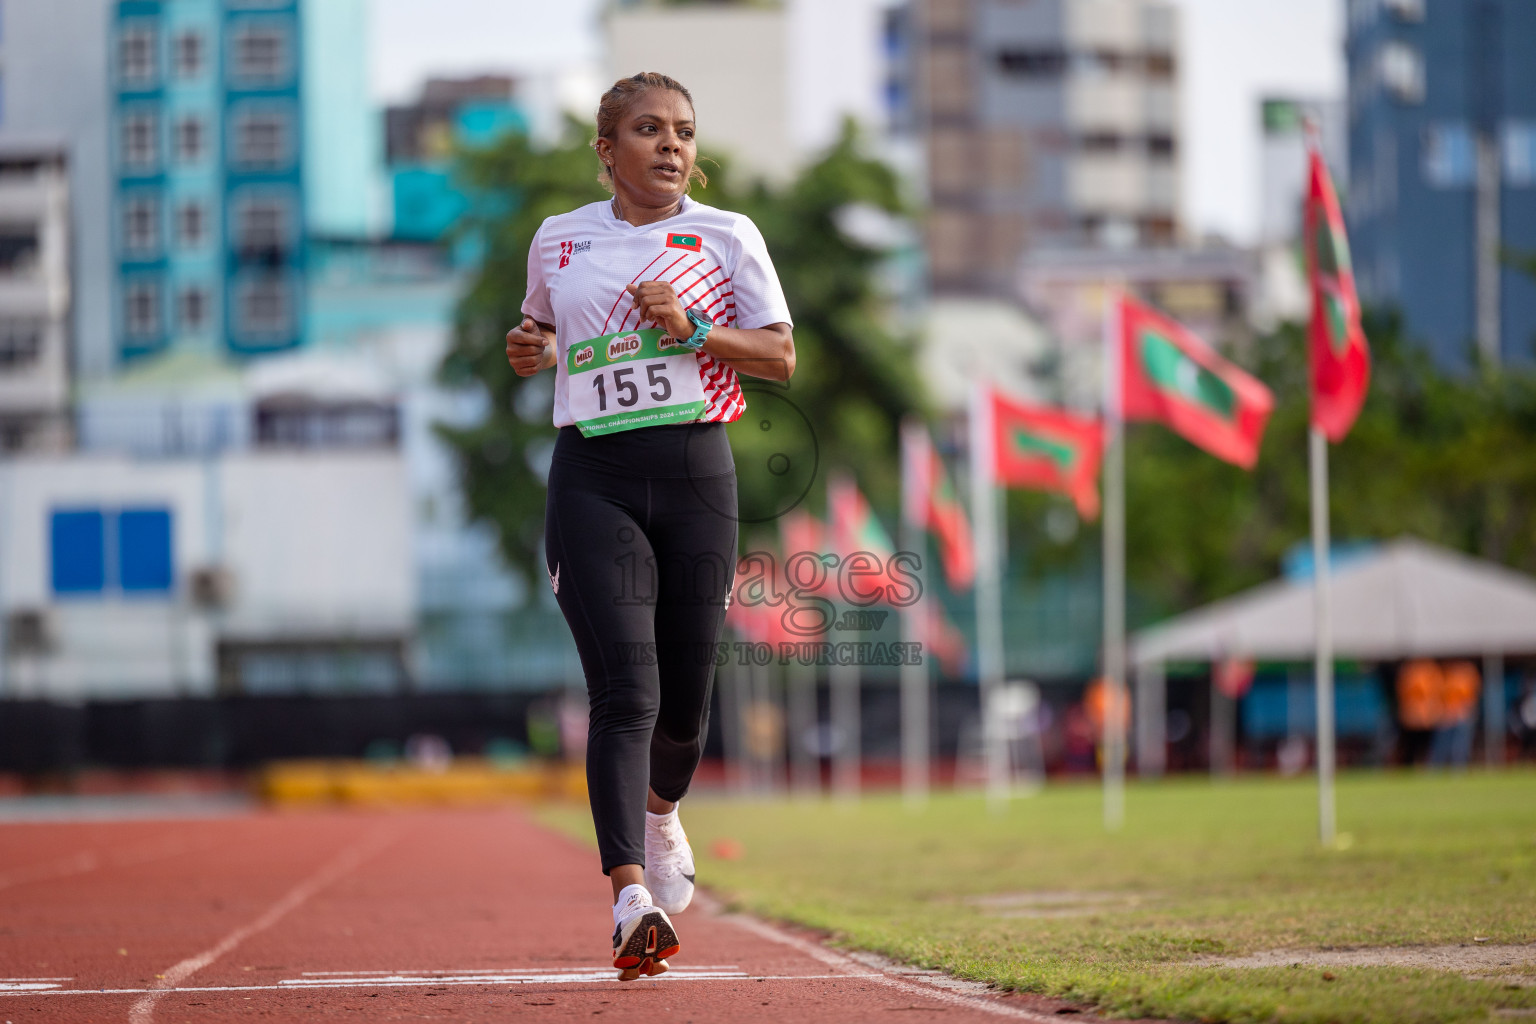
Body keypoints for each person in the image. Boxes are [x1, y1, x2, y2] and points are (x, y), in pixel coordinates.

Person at [506, 72, 795, 980]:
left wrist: (696, 328)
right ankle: (631, 895)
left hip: (696, 472)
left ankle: (663, 814)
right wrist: (528, 347)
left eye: (683, 132)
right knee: (624, 691)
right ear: (607, 150)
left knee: (685, 705)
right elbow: (542, 331)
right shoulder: (558, 241)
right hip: (594, 476)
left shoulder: (727, 236)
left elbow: (781, 355)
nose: (670, 146)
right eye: (648, 130)